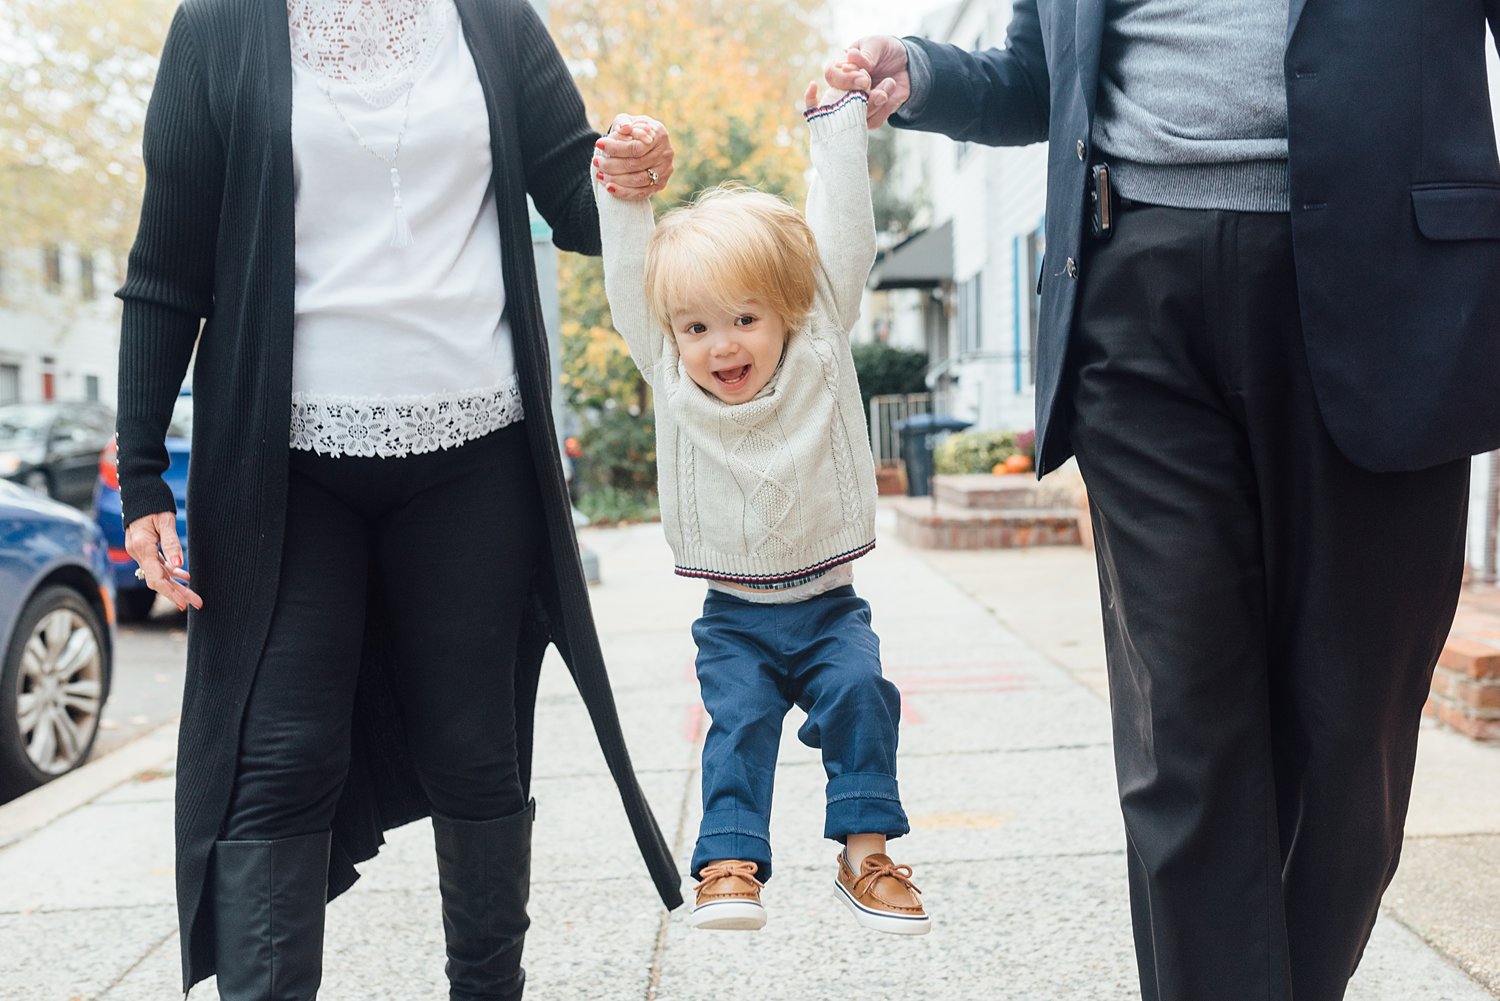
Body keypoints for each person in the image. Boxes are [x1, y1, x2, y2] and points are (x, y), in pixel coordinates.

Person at [828, 4, 1500, 1000]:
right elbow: (1041, 74)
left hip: (1391, 294)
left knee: (1349, 745)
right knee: (1185, 735)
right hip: (1135, 301)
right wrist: (921, 75)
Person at [117, 0, 683, 997]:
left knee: (478, 751)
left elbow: (576, 198)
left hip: (475, 448)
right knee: (278, 757)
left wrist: (628, 170)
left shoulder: (492, 20)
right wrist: (142, 474)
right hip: (286, 467)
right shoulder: (219, 26)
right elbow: (168, 269)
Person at [593, 82, 931, 936]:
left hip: (827, 607)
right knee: (737, 721)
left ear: (787, 311)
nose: (721, 345)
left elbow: (845, 240)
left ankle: (866, 852)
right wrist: (627, 195)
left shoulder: (819, 347)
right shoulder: (671, 372)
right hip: (735, 617)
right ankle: (729, 859)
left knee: (862, 692)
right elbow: (632, 284)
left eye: (744, 318)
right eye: (698, 327)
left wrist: (839, 126)